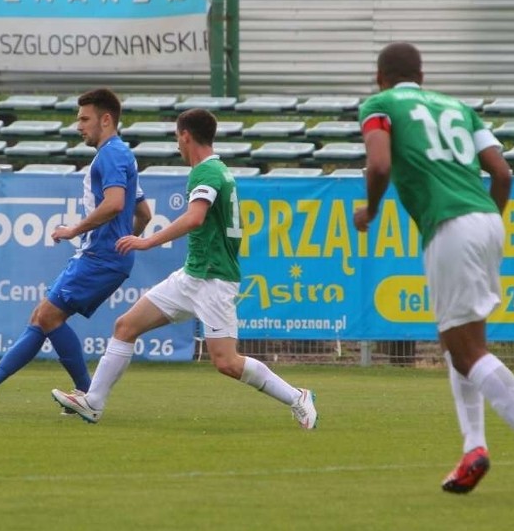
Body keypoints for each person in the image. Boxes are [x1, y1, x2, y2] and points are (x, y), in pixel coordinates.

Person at [51, 108, 318, 430]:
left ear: (186, 136)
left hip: (213, 281)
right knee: (126, 326)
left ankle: (297, 396)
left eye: (178, 137)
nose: (177, 144)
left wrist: (147, 242)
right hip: (192, 276)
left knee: (226, 362)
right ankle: (93, 403)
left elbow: (195, 218)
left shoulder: (206, 172)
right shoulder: (217, 172)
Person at [353, 41, 514, 494]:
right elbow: (503, 174)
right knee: (462, 342)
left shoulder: (381, 104)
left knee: (466, 350)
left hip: (450, 225)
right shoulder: (458, 107)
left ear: (380, 77)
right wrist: (486, 220)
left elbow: (378, 164)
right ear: (423, 75)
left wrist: (371, 210)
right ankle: (474, 445)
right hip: (488, 218)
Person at [0, 88, 152, 407]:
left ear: (106, 119)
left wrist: (78, 230)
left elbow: (115, 204)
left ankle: (88, 396)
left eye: (85, 119)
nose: (79, 126)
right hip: (101, 256)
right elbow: (144, 213)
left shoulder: (112, 155)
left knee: (48, 317)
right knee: (41, 317)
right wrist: (126, 242)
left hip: (99, 258)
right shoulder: (122, 154)